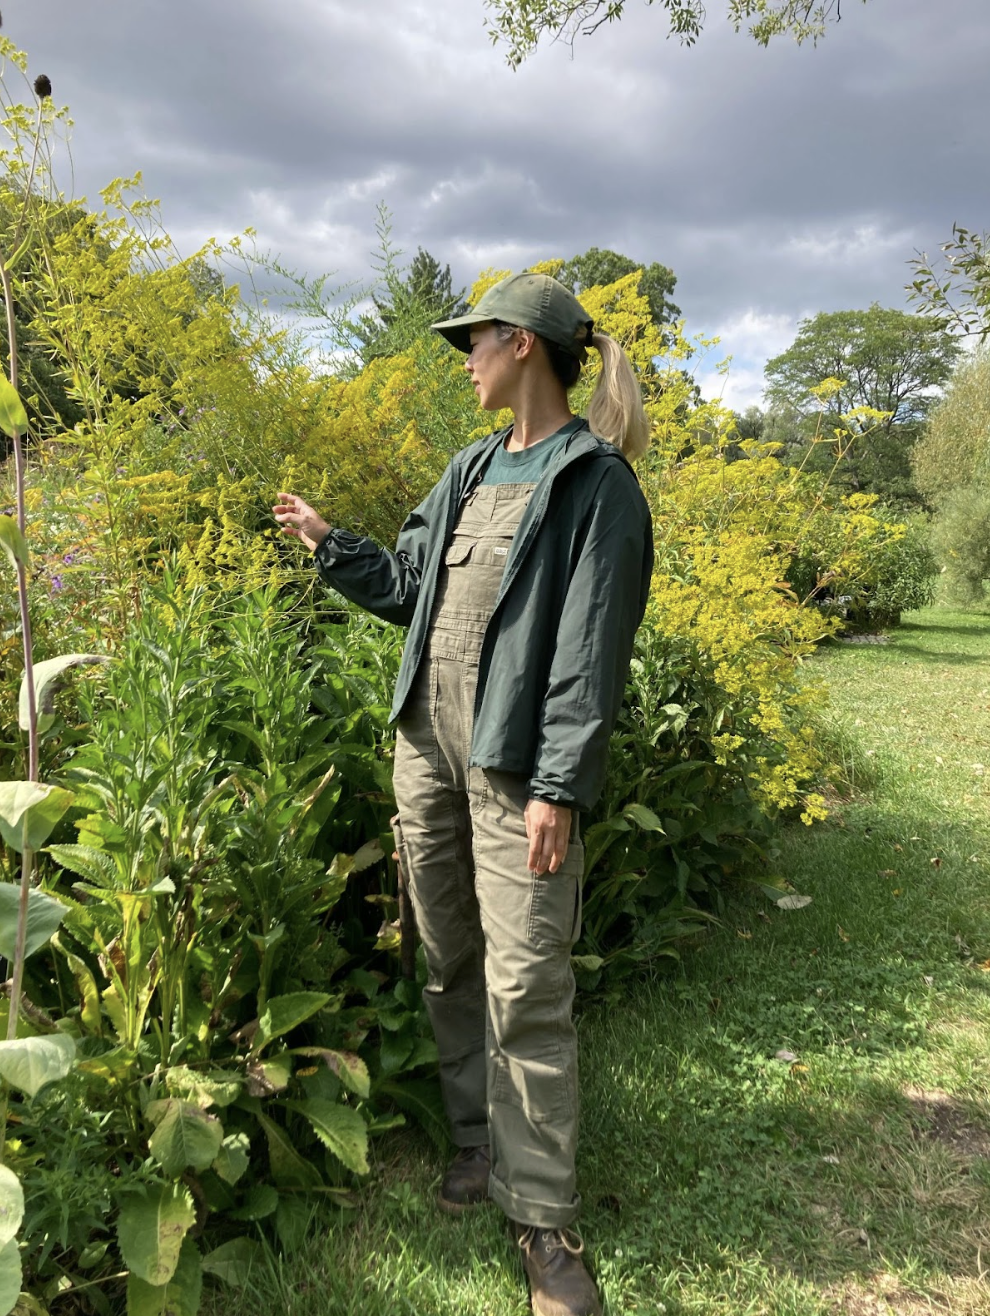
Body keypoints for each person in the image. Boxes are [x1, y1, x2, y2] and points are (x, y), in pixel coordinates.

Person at [273, 271, 653, 1316]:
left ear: (524, 344)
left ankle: (544, 1220)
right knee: (448, 956)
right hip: (423, 754)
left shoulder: (594, 485)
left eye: (474, 340)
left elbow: (588, 653)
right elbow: (408, 587)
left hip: (516, 772)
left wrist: (561, 786)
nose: (466, 357)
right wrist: (328, 541)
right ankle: (478, 1143)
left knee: (526, 979)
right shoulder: (470, 467)